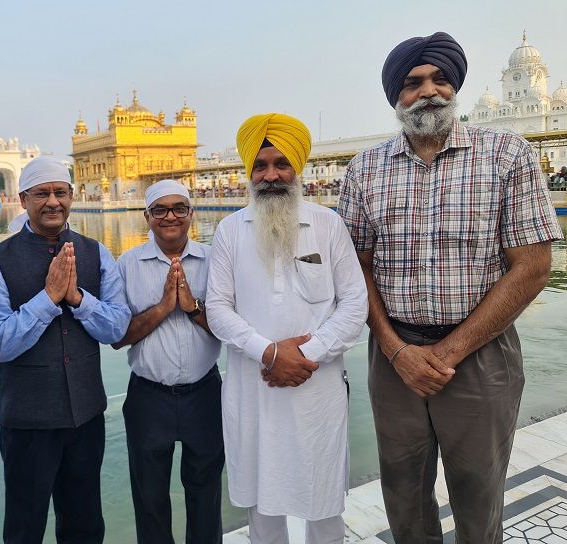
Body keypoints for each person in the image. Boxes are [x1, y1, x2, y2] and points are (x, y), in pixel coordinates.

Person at [337, 31, 563, 543]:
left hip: (481, 353)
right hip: (394, 354)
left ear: (456, 86)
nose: (429, 91)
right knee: (403, 494)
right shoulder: (365, 170)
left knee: (478, 491)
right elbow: (356, 269)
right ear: (396, 95)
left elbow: (531, 266)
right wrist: (398, 353)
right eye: (414, 83)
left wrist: (448, 351)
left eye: (441, 79)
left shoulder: (505, 155)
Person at [206, 113, 368, 544]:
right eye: (261, 166)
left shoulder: (329, 225)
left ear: (298, 169)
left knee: (324, 502)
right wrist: (270, 353)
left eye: (281, 164)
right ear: (249, 172)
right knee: (263, 505)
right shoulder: (228, 231)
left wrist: (306, 355)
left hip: (316, 388)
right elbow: (218, 309)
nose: (271, 175)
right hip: (252, 387)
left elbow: (355, 303)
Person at [0, 156, 131, 544]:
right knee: (25, 527)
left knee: (85, 524)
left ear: (72, 196)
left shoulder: (96, 253)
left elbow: (117, 327)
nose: (52, 202)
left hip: (86, 417)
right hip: (28, 422)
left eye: (60, 192)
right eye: (41, 193)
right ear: (23, 198)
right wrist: (47, 298)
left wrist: (77, 298)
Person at [113, 179, 224, 544]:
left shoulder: (215, 261)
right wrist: (162, 308)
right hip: (149, 397)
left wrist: (192, 307)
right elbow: (118, 337)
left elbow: (231, 330)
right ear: (147, 216)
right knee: (150, 496)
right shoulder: (127, 265)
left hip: (204, 393)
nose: (170, 216)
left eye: (179, 208)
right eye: (159, 209)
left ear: (192, 213)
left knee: (205, 491)